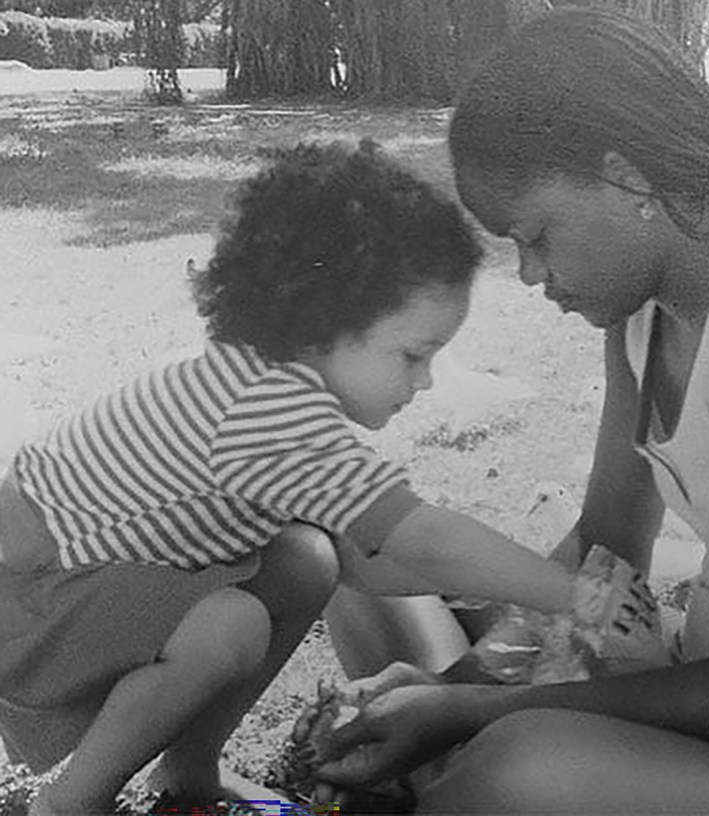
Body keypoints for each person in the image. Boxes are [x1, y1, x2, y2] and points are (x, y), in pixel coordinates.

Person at [316, 8, 709, 814]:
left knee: (518, 767)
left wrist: (471, 713)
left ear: (627, 179)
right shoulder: (644, 311)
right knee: (368, 582)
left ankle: (456, 780)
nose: (528, 273)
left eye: (538, 236)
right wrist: (457, 684)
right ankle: (445, 772)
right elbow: (609, 555)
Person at [0, 141, 576, 816]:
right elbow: (414, 541)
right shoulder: (270, 410)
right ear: (322, 325)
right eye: (413, 355)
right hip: (30, 611)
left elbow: (370, 568)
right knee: (230, 624)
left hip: (71, 593)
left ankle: (188, 770)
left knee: (306, 559)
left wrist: (506, 598)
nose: (423, 383)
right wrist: (575, 595)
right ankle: (71, 805)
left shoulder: (262, 379)